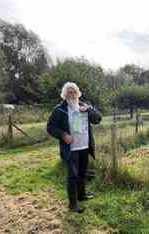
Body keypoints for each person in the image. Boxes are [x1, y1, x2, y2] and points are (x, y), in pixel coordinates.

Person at [47, 82, 102, 213]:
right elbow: (50, 127)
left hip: (84, 146)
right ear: (64, 95)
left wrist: (89, 110)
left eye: (74, 92)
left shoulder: (84, 106)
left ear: (78, 93)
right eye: (69, 92)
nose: (72, 95)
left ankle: (82, 195)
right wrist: (63, 135)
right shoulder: (59, 109)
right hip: (71, 149)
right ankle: (73, 204)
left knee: (82, 173)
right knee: (73, 176)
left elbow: (98, 119)